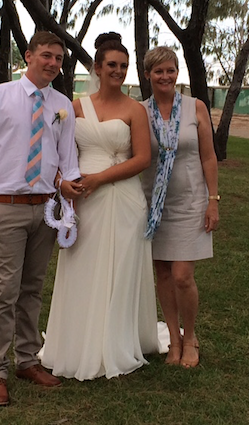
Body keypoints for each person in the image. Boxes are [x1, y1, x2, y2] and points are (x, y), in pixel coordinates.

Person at [0, 31, 82, 406]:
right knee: (4, 291)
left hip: (45, 210)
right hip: (7, 207)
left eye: (58, 58)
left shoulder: (62, 106)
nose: (53, 63)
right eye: (46, 55)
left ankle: (27, 359)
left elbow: (67, 160)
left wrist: (68, 194)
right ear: (28, 56)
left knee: (32, 289)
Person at [39, 32, 159, 381]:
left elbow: (142, 159)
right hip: (84, 199)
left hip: (123, 198)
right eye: (112, 65)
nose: (118, 71)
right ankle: (78, 340)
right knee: (84, 266)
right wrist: (64, 182)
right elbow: (57, 154)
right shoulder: (75, 107)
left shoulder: (135, 110)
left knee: (120, 267)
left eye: (123, 66)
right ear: (97, 67)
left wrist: (100, 179)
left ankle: (115, 340)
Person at [141, 46, 219, 368]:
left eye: (170, 70)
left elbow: (208, 157)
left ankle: (190, 337)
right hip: (153, 204)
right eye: (158, 71)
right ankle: (173, 339)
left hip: (190, 202)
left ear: (177, 72)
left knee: (182, 275)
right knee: (162, 273)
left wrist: (213, 200)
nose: (165, 76)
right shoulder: (139, 112)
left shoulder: (195, 107)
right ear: (148, 74)